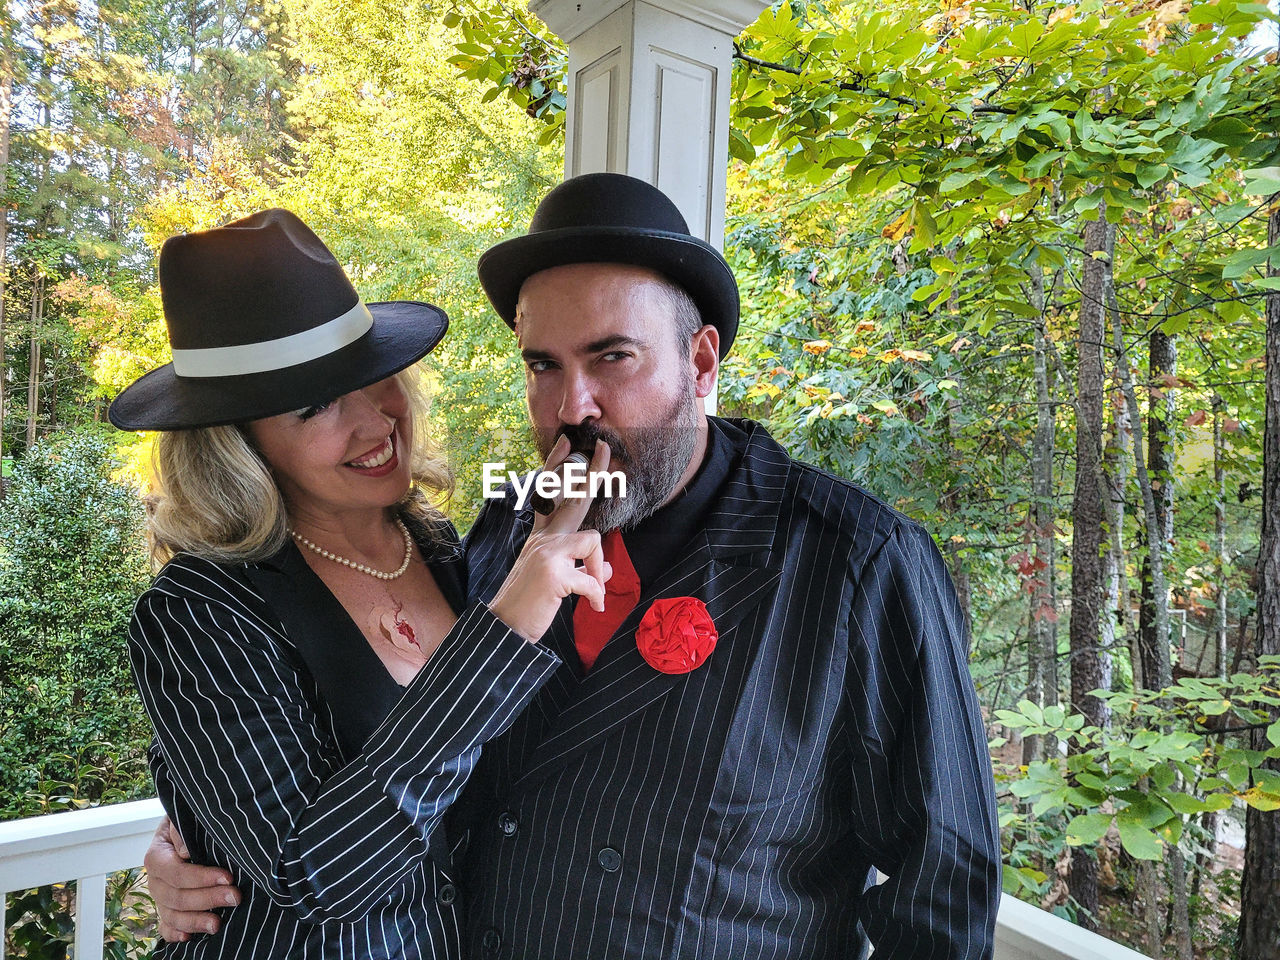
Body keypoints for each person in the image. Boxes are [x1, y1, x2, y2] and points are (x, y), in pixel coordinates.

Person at [147, 176, 1002, 958]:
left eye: (612, 357)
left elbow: (943, 889)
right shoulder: (497, 537)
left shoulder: (859, 562)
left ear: (700, 362)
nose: (571, 408)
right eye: (542, 364)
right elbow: (337, 791)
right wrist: (199, 848)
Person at [111, 208, 614, 959]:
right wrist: (501, 635)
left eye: (379, 380)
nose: (378, 421)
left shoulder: (440, 545)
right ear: (239, 445)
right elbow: (311, 872)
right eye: (318, 406)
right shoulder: (197, 611)